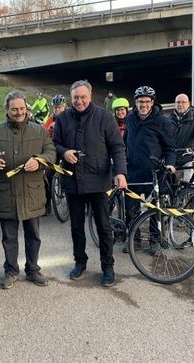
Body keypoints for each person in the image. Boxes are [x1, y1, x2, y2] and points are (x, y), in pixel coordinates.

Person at [0, 90, 55, 290]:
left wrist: (40, 161)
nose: (18, 112)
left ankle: (33, 269)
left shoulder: (39, 131)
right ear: (7, 110)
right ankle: (11, 271)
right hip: (6, 192)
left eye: (21, 108)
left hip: (32, 191)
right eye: (14, 109)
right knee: (9, 236)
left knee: (33, 235)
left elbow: (51, 153)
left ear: (26, 108)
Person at [53, 80, 127, 287]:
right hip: (72, 182)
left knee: (103, 227)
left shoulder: (104, 117)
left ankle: (108, 267)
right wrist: (64, 152)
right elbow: (54, 144)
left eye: (83, 97)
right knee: (76, 227)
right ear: (71, 97)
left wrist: (120, 172)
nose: (79, 101)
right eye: (76, 97)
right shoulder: (63, 118)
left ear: (90, 96)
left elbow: (117, 147)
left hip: (98, 181)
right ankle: (80, 262)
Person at [124, 86, 176, 252]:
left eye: (147, 101)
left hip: (154, 173)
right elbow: (125, 142)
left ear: (152, 102)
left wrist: (170, 163)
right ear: (135, 102)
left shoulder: (163, 122)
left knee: (155, 209)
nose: (143, 104)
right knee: (131, 209)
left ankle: (155, 240)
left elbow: (170, 148)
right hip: (132, 171)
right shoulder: (130, 118)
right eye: (140, 101)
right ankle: (134, 239)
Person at [169, 94, 194, 183]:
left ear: (188, 103)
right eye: (178, 102)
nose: (180, 104)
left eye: (183, 102)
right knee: (172, 188)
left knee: (188, 187)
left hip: (189, 158)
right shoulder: (169, 118)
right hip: (173, 159)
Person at [42, 94, 67, 214]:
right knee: (47, 176)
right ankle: (47, 204)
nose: (57, 110)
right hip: (54, 151)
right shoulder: (50, 120)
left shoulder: (70, 117)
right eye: (56, 108)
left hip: (67, 150)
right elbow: (44, 136)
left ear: (64, 107)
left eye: (60, 107)